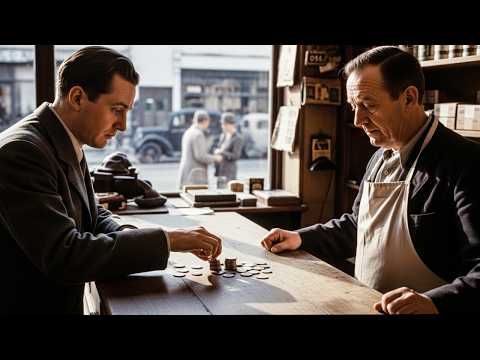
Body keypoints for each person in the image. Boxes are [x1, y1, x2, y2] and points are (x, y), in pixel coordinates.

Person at [0, 46, 222, 315]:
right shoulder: (22, 151)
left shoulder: (63, 138)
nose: (123, 125)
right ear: (78, 97)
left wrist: (135, 237)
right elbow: (65, 255)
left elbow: (92, 216)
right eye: (116, 109)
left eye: (126, 111)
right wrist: (166, 240)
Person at [260, 46, 480, 314]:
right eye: (354, 107)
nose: (358, 119)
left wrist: (434, 302)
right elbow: (359, 227)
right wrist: (299, 238)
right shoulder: (379, 157)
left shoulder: (465, 162)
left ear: (409, 98)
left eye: (368, 105)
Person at [178, 110, 222, 189]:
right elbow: (200, 156)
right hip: (195, 175)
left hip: (187, 172)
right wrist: (215, 158)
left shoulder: (188, 132)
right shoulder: (198, 134)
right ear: (205, 121)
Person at [213, 112, 243, 183]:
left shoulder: (238, 138)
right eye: (222, 124)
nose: (223, 126)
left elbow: (236, 156)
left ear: (231, 124)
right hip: (220, 170)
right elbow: (219, 148)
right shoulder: (223, 136)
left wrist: (222, 152)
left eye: (225, 124)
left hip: (229, 172)